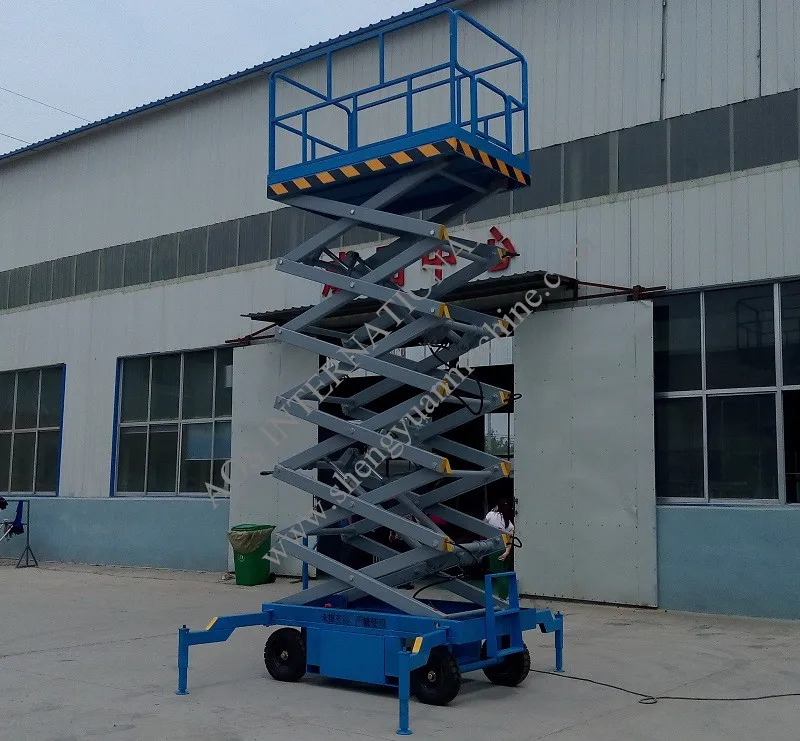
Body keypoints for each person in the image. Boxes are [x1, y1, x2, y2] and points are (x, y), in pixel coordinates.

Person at [484, 498, 515, 598]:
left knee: (498, 573)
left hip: (494, 549)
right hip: (504, 549)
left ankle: (502, 598)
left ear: (497, 506)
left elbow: (482, 525)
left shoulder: (491, 515)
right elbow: (510, 539)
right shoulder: (508, 522)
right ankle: (505, 596)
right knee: (504, 573)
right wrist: (507, 552)